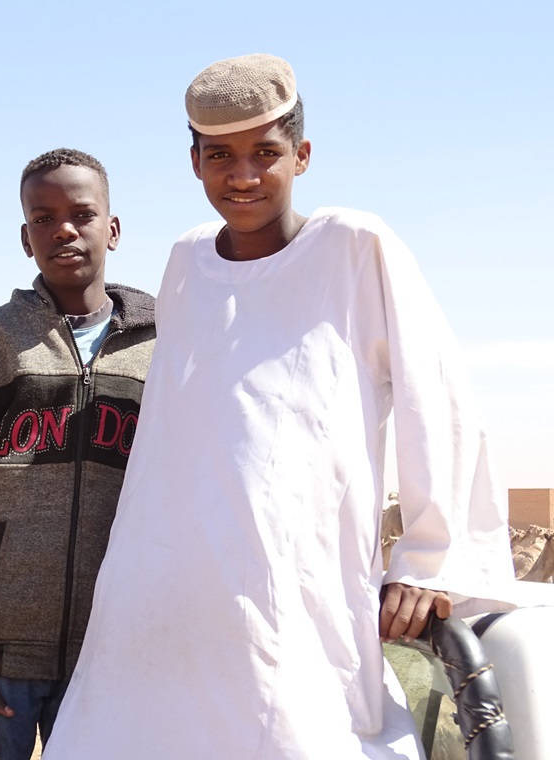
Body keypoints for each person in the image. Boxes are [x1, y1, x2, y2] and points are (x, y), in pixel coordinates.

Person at [43, 55, 516, 759]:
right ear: (194, 162)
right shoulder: (185, 259)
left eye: (265, 153)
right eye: (220, 156)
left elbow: (439, 398)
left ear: (302, 154)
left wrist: (428, 559)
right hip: (159, 591)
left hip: (295, 586)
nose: (243, 176)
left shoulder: (356, 245)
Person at [0, 148, 156, 760]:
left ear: (114, 228)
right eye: (43, 218)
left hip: (117, 657)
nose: (64, 229)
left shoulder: (169, 343)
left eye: (82, 213)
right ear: (26, 238)